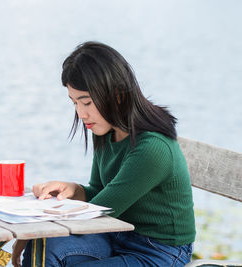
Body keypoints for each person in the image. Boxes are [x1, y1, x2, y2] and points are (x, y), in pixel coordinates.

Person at [12, 41, 195, 267]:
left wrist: (32, 228)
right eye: (74, 103)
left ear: (117, 95)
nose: (81, 113)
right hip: (115, 234)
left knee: (42, 243)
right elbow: (99, 193)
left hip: (159, 251)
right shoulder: (107, 131)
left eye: (86, 102)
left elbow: (97, 213)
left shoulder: (151, 149)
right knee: (44, 250)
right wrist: (74, 190)